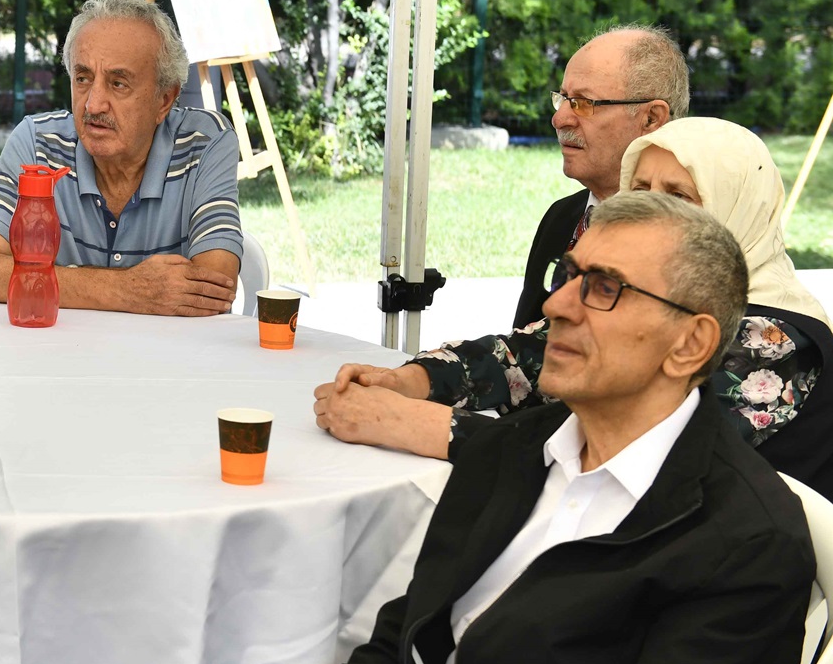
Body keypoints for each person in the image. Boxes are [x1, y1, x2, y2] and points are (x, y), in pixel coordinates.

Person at [91, 191, 814, 664]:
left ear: (690, 342)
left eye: (604, 288)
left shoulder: (740, 536)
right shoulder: (519, 449)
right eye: (569, 275)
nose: (557, 304)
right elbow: (408, 628)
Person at [314, 118, 833, 493]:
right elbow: (525, 355)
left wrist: (416, 425)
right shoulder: (634, 289)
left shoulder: (775, 339)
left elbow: (620, 457)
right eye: (641, 190)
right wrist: (411, 382)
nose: (653, 210)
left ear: (738, 208)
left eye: (679, 195)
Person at [0, 0, 242, 316]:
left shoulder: (205, 143)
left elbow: (214, 286)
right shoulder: (37, 143)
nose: (93, 105)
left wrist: (48, 282)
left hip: (166, 362)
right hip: (58, 356)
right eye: (83, 78)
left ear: (164, 100)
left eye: (118, 84)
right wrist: (127, 290)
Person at [513, 25, 686, 328]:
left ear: (651, 118)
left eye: (583, 103)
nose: (559, 118)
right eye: (563, 98)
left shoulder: (683, 238)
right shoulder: (562, 216)